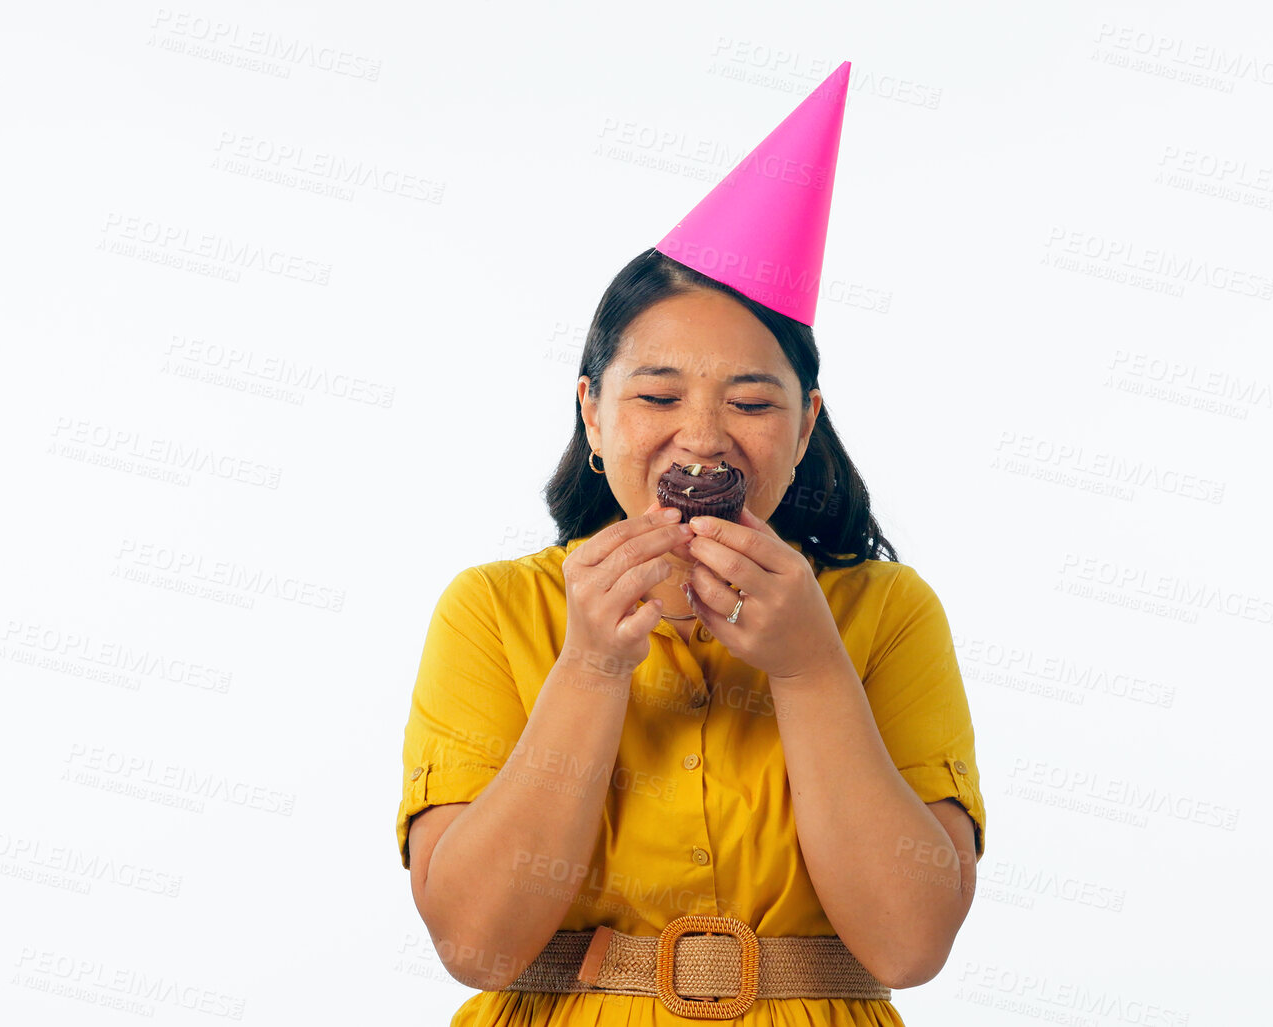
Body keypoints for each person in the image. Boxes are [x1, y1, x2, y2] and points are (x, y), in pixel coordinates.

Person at [398, 62, 986, 1026]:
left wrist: (807, 670)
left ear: (803, 430)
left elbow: (910, 944)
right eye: (658, 396)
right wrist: (589, 667)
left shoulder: (886, 614)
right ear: (591, 413)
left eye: (752, 402)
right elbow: (474, 944)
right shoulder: (493, 611)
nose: (705, 437)